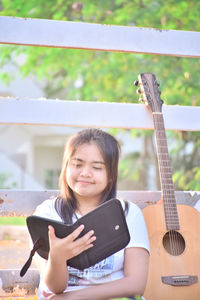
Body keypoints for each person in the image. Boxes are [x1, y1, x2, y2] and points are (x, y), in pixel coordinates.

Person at [33, 128, 150, 300]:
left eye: (96, 167)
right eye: (77, 164)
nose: (85, 173)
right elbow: (56, 287)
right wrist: (57, 257)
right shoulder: (47, 214)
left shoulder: (128, 213)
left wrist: (75, 297)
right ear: (65, 168)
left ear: (111, 175)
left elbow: (136, 283)